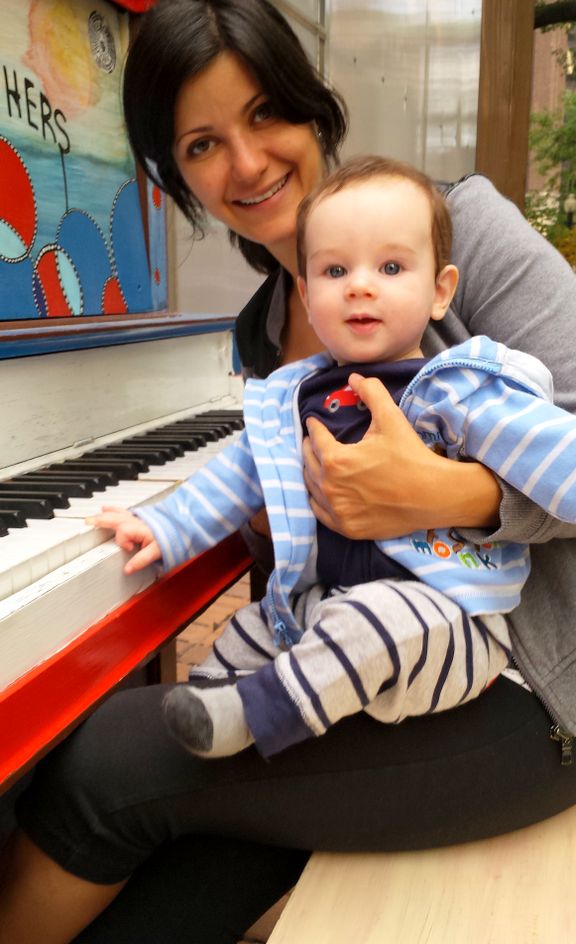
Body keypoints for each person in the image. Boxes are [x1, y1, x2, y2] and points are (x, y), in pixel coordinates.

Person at [1, 0, 576, 944]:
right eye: (201, 145)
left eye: (265, 112)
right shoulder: (263, 337)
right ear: (177, 178)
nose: (247, 162)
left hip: (527, 687)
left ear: (313, 106)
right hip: (347, 682)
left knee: (109, 766)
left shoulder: (461, 227)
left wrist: (443, 493)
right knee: (163, 886)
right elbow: (281, 548)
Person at [97, 154, 576, 765]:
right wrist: (164, 527)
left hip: (451, 618)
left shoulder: (460, 388)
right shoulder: (295, 398)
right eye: (334, 270)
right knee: (252, 628)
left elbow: (554, 455)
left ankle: (263, 715)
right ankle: (215, 717)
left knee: (373, 622)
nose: (359, 286)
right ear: (306, 293)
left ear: (440, 292)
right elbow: (236, 476)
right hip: (329, 603)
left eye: (391, 267)